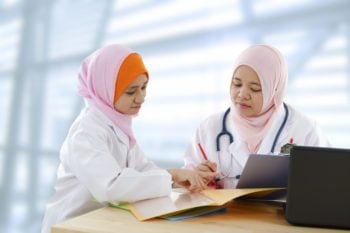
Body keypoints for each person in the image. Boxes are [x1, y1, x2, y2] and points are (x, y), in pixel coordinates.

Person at [41, 44, 216, 233]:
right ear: (105, 90)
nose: (141, 98)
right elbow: (111, 187)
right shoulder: (85, 133)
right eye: (131, 91)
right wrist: (171, 176)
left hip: (102, 221)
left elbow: (143, 168)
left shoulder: (119, 126)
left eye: (143, 87)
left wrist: (180, 179)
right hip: (71, 224)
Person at [183, 44, 330, 189]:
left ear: (274, 90)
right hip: (225, 213)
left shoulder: (305, 130)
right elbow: (186, 183)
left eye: (255, 89)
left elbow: (326, 183)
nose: (242, 95)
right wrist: (197, 179)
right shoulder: (209, 128)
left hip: (282, 213)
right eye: (237, 84)